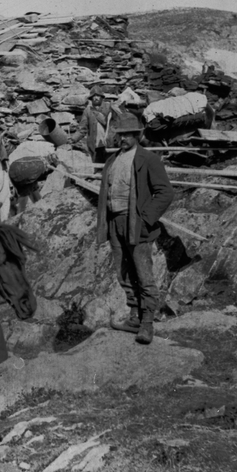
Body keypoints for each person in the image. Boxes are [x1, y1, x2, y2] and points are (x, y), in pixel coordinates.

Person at [95, 114, 175, 346]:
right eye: (120, 134)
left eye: (128, 134)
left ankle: (147, 323)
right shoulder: (112, 161)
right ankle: (134, 317)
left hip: (136, 224)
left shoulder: (148, 159)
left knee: (143, 274)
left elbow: (165, 192)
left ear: (138, 136)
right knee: (124, 273)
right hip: (115, 223)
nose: (123, 138)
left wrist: (146, 218)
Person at [74, 92, 113, 162]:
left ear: (101, 97)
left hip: (107, 145)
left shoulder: (108, 108)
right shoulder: (88, 110)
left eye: (98, 95)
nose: (96, 98)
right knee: (96, 165)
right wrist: (74, 138)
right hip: (94, 146)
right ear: (91, 98)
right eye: (94, 96)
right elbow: (82, 129)